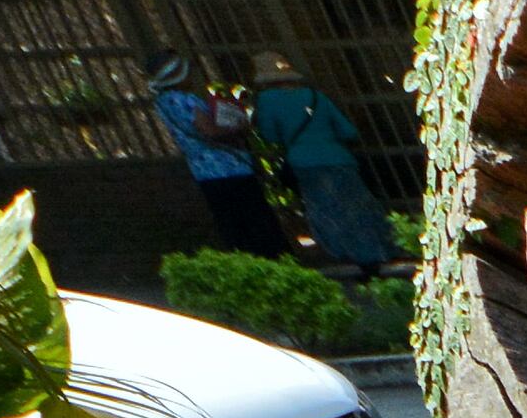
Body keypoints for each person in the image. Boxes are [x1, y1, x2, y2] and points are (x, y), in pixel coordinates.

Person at [244, 53, 394, 280]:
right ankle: (377, 253)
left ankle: (349, 256)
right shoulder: (316, 96)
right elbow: (347, 131)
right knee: (358, 209)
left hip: (304, 163)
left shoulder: (266, 100)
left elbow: (270, 135)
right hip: (340, 160)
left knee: (327, 211)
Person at [149, 55, 286, 257]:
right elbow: (209, 131)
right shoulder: (187, 99)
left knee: (230, 223)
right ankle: (272, 257)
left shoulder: (162, 102)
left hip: (203, 171)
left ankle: (244, 260)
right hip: (228, 167)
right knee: (256, 220)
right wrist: (240, 126)